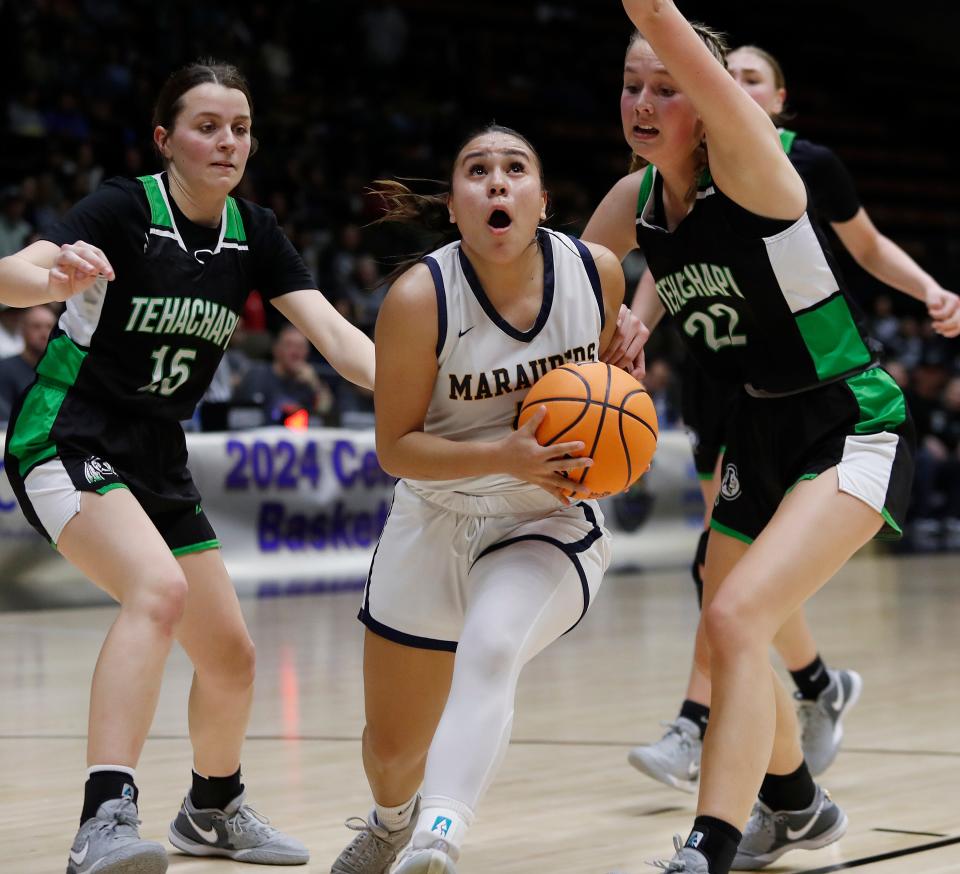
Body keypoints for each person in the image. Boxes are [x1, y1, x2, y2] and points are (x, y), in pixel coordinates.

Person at [0, 60, 375, 874]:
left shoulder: (257, 232)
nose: (227, 141)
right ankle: (103, 819)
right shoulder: (124, 208)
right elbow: (16, 273)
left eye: (240, 128)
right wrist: (51, 271)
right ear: (166, 139)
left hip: (158, 456)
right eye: (208, 126)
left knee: (233, 655)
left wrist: (438, 391)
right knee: (157, 591)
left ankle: (211, 807)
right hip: (66, 434)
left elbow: (342, 346)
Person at [584, 4, 917, 870]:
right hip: (755, 426)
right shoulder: (638, 201)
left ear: (709, 98)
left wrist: (658, 25)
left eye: (669, 86)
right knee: (732, 618)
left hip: (848, 418)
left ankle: (710, 843)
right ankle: (797, 804)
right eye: (631, 86)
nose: (645, 102)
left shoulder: (757, 173)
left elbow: (661, 18)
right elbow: (559, 290)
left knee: (735, 618)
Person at [619, 41, 960, 794]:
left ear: (776, 99)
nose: (731, 87)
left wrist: (931, 290)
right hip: (730, 375)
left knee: (736, 588)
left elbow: (865, 245)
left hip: (813, 364)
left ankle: (707, 720)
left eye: (749, 80)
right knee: (727, 580)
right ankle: (807, 693)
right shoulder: (658, 181)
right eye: (725, 74)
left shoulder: (796, 165)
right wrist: (634, 319)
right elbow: (660, 259)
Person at [330, 124, 623, 874]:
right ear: (456, 209)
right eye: (477, 171)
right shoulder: (419, 296)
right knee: (391, 752)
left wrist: (624, 406)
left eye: (515, 169)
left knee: (492, 646)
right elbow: (396, 449)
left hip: (546, 516)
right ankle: (394, 820)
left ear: (542, 201)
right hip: (435, 511)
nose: (497, 182)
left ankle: (438, 839)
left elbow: (613, 403)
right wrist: (503, 453)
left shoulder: (596, 274)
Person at [232, 323, 337, 425]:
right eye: (289, 345)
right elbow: (240, 415)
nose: (295, 352)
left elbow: (325, 413)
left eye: (300, 347)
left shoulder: (309, 382)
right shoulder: (258, 374)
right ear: (276, 349)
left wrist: (315, 384)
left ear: (307, 352)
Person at [0, 303, 57, 421]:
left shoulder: (61, 371)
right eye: (36, 326)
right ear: (22, 329)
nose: (44, 333)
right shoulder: (5, 369)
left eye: (49, 327)